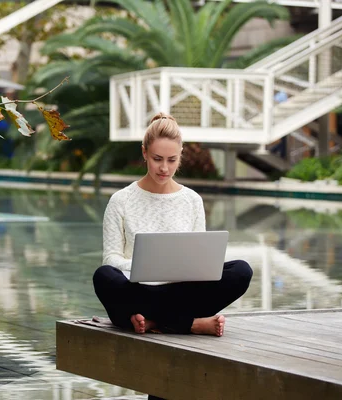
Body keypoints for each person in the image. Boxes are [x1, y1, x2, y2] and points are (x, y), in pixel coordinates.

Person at [93, 112, 253, 340]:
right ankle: (190, 324)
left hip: (182, 291)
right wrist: (143, 266)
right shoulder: (121, 200)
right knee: (104, 277)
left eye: (172, 160)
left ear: (180, 156)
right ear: (144, 153)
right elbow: (110, 259)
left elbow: (201, 262)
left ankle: (155, 320)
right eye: (157, 159)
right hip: (138, 289)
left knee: (241, 270)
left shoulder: (192, 200)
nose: (164, 168)